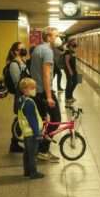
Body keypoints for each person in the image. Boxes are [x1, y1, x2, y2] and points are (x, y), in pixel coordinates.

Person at [30, 26, 62, 163]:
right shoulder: (48, 52)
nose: (58, 38)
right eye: (56, 35)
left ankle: (39, 149)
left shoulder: (38, 48)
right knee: (55, 120)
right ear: (48, 37)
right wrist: (49, 96)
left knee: (43, 121)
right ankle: (43, 151)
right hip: (43, 92)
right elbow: (46, 74)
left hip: (36, 91)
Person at [18, 78, 44, 179]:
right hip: (32, 133)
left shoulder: (21, 100)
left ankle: (27, 171)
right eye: (32, 88)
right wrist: (37, 134)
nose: (35, 89)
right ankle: (33, 173)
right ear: (25, 89)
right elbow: (32, 120)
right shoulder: (29, 103)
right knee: (33, 154)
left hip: (26, 132)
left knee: (27, 153)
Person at [7, 42, 29, 153]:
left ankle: (14, 143)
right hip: (21, 95)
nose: (25, 50)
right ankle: (14, 143)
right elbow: (17, 83)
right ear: (16, 51)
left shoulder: (23, 61)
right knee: (20, 119)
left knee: (21, 119)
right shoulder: (14, 64)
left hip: (26, 94)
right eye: (22, 48)